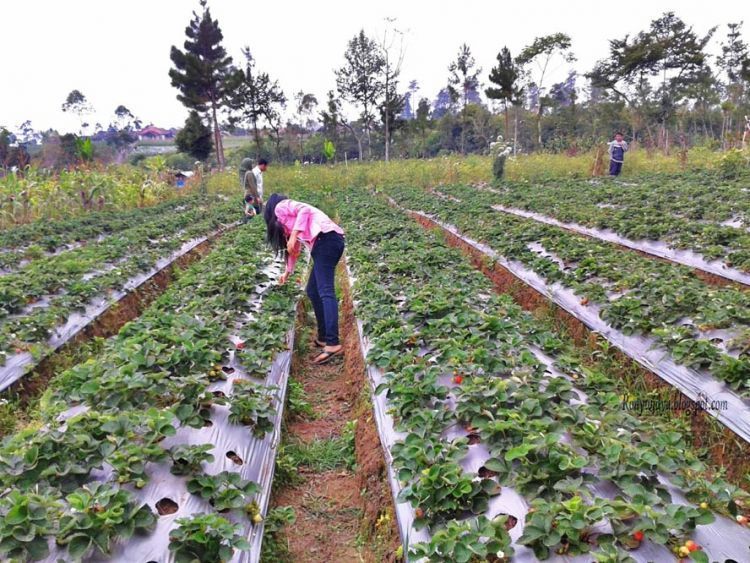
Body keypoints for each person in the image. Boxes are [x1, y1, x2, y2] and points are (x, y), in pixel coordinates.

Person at [264, 194, 345, 364]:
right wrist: (288, 271)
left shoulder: (281, 207)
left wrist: (294, 234)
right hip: (328, 242)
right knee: (313, 291)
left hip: (326, 240)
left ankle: (333, 343)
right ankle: (323, 337)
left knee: (325, 292)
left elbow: (304, 209)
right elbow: (294, 248)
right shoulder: (289, 222)